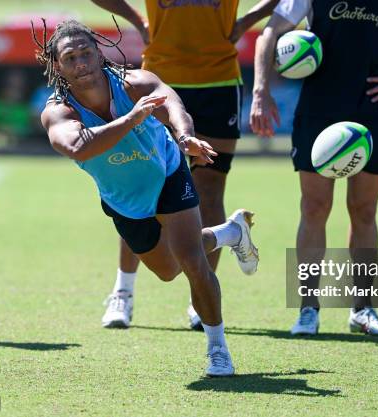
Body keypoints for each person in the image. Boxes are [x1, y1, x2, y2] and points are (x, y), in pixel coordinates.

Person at [35, 19, 260, 376]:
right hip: (124, 198)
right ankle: (229, 234)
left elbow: (173, 104)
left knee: (190, 260)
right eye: (71, 57)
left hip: (168, 171)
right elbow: (78, 146)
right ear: (57, 65)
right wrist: (133, 118)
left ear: (98, 53)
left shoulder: (133, 83)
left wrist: (185, 136)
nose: (81, 63)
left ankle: (218, 349)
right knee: (168, 270)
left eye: (86, 53)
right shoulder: (59, 111)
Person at [250, 0, 378, 335]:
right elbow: (269, 34)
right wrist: (260, 91)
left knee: (364, 209)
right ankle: (308, 309)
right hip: (319, 111)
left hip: (373, 110)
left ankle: (363, 309)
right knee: (314, 207)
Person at [91, 0, 278, 330]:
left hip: (218, 81)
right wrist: (136, 18)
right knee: (138, 187)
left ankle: (199, 294)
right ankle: (124, 291)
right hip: (159, 78)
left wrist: (247, 19)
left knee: (209, 188)